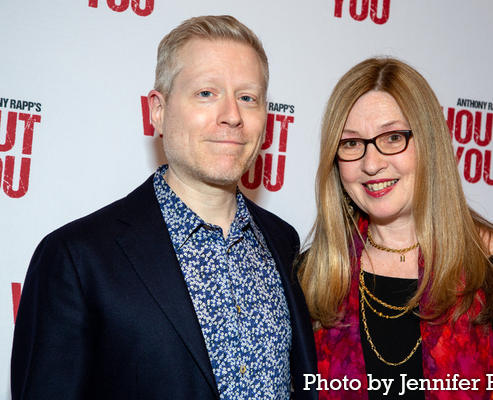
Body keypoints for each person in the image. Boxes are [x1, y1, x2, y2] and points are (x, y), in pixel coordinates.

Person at [12, 15, 317, 400]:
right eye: (206, 93)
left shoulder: (284, 241)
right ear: (158, 110)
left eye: (247, 97)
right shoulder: (76, 259)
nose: (232, 116)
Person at [297, 57, 493, 399]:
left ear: (430, 144)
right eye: (351, 143)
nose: (371, 163)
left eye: (393, 137)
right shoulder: (312, 278)